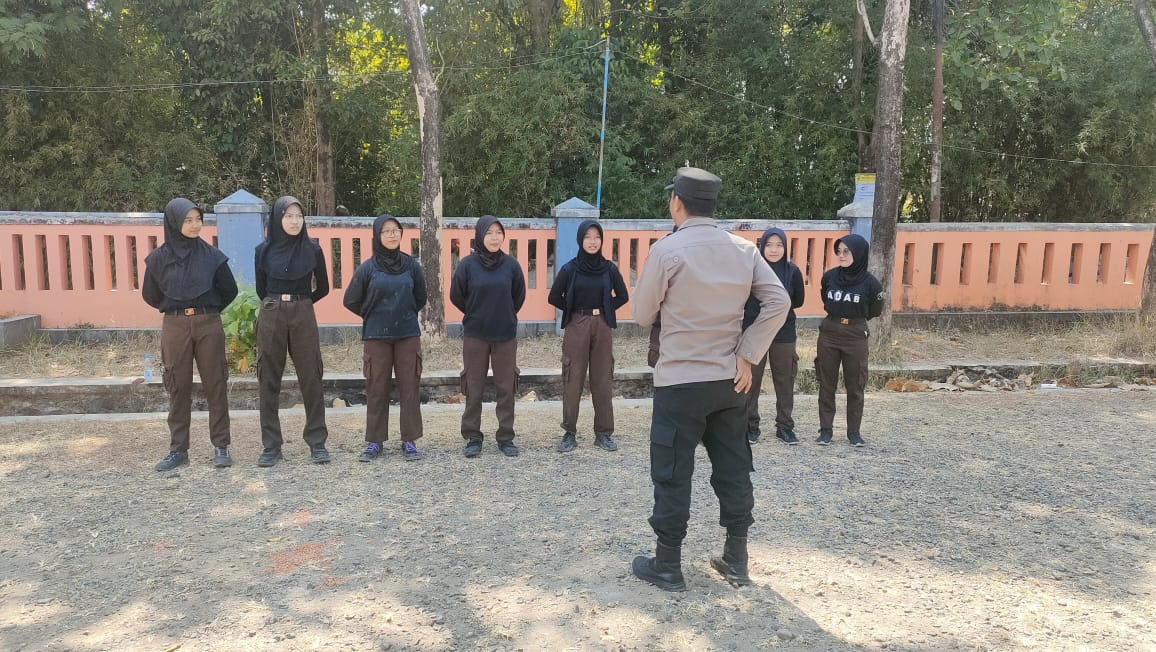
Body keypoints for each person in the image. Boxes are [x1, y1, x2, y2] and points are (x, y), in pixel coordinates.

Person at [630, 167, 791, 591]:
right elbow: (779, 301)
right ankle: (736, 560)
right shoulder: (744, 250)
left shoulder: (667, 250)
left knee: (672, 471)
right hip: (729, 380)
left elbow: (642, 314)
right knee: (734, 466)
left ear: (676, 203)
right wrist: (748, 353)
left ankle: (668, 565)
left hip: (680, 381)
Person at [143, 197, 238, 472]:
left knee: (215, 383)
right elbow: (150, 295)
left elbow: (229, 290)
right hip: (175, 326)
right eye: (188, 220)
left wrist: (207, 310)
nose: (195, 225)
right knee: (177, 385)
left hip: (208, 323)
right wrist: (178, 309)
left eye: (198, 219)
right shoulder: (158, 259)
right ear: (174, 222)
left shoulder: (212, 256)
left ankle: (221, 445)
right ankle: (178, 450)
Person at [252, 196, 331, 466]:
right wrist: (278, 304)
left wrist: (302, 303)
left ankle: (317, 441)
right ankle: (271, 445)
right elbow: (261, 289)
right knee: (268, 377)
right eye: (288, 216)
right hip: (272, 311)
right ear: (277, 219)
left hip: (303, 312)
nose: (295, 221)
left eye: (299, 216)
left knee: (311, 376)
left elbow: (323, 287)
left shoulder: (313, 250)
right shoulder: (263, 251)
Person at [343, 214, 428, 462]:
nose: (392, 235)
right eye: (386, 231)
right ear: (377, 235)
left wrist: (403, 313)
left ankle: (409, 440)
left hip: (407, 335)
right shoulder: (368, 268)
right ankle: (375, 441)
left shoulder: (411, 266)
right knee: (376, 389)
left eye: (396, 230)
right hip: (376, 336)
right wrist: (372, 314)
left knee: (409, 388)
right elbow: (350, 299)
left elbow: (420, 297)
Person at [547, 219, 629, 453]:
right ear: (580, 240)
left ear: (602, 240)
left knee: (602, 379)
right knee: (573, 378)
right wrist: (572, 310)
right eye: (588, 237)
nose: (592, 242)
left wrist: (606, 309)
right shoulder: (570, 269)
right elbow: (554, 297)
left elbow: (622, 295)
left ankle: (603, 433)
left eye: (597, 237)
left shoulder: (609, 269)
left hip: (602, 325)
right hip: (577, 325)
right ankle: (569, 433)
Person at [449, 215, 526, 458]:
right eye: (489, 233)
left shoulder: (511, 265)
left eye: (498, 232)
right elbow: (456, 295)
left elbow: (518, 297)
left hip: (505, 335)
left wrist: (504, 314)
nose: (494, 237)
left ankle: (506, 436)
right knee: (474, 387)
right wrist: (475, 312)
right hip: (476, 334)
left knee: (506, 387)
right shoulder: (467, 265)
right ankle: (473, 436)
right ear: (480, 236)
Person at [815, 234, 884, 447]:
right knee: (827, 384)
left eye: (847, 251)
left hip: (855, 335)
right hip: (830, 333)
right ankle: (825, 430)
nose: (841, 255)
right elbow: (825, 299)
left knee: (855, 385)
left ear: (859, 253)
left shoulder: (871, 284)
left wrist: (853, 321)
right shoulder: (830, 277)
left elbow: (875, 310)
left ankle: (854, 432)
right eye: (839, 251)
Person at [742, 227, 806, 444]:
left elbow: (798, 301)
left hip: (783, 333)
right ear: (761, 247)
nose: (774, 250)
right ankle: (750, 426)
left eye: (779, 245)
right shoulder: (752, 270)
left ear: (785, 248)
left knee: (784, 380)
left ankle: (785, 427)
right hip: (755, 332)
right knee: (751, 380)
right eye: (769, 245)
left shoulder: (792, 271)